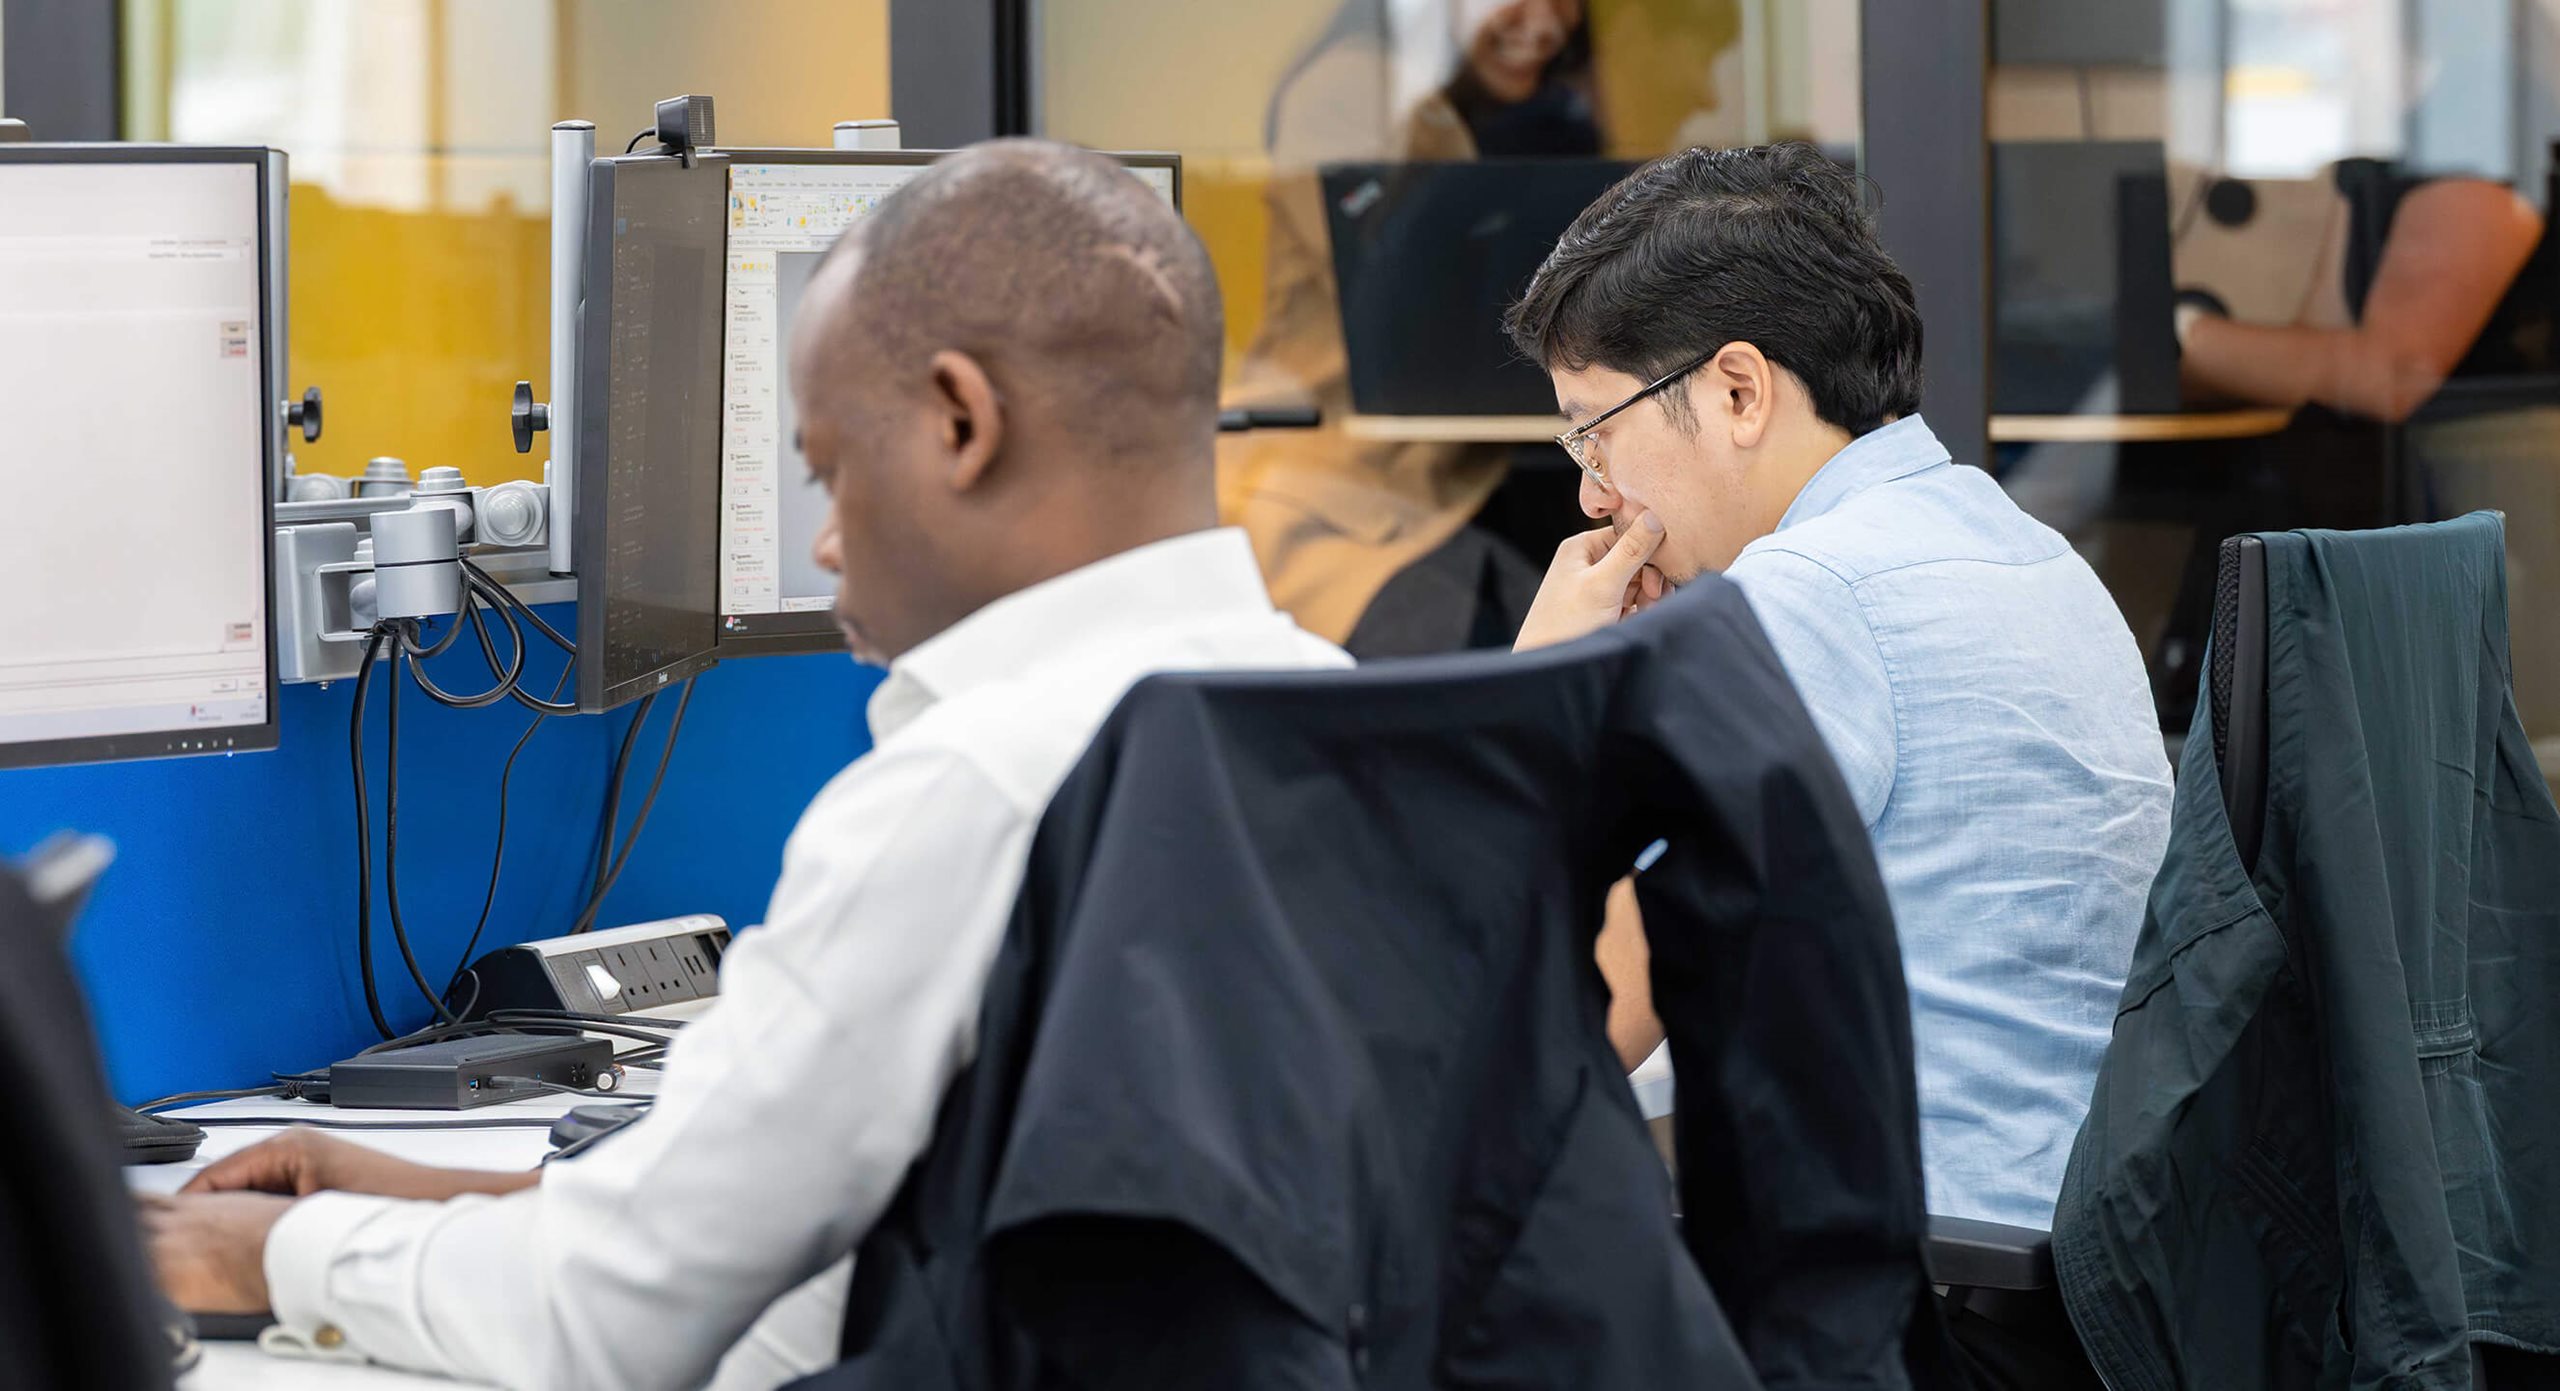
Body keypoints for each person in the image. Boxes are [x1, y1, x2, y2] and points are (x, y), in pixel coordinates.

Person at [137, 139, 1349, 1391]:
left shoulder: (970, 784)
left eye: (828, 471)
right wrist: (457, 1198)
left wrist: (273, 1252)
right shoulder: (1332, 714)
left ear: (960, 421)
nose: (821, 544)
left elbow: (601, 1322)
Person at [1503, 143, 2172, 1385]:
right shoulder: (2017, 545)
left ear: (1737, 389)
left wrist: (1545, 685)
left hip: (1915, 1316)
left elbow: (1573, 1008)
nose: (1594, 498)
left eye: (1594, 435)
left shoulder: (1806, 596)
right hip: (2081, 1293)